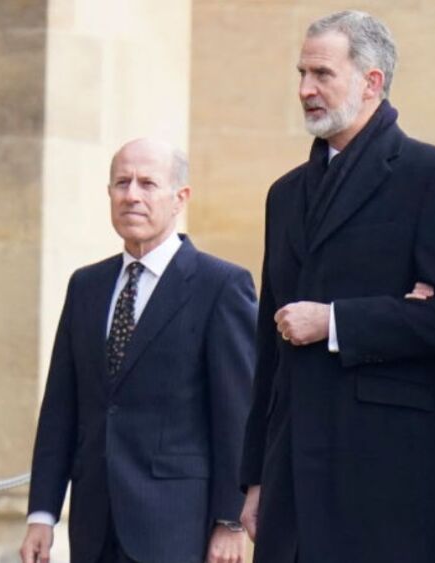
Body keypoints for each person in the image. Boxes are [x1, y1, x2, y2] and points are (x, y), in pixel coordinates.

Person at [237, 10, 435, 563]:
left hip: (391, 476)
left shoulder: (433, 175)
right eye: (301, 73)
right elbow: (267, 350)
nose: (305, 89)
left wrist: (337, 322)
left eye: (322, 74)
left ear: (372, 81)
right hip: (293, 476)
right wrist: (254, 477)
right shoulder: (285, 194)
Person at [19, 138, 258, 563]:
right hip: (94, 528)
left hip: (176, 530)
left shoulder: (220, 286)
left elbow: (236, 414)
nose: (132, 195)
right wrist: (42, 513)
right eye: (121, 183)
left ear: (179, 198)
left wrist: (231, 520)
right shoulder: (86, 286)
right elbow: (61, 407)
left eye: (148, 184)